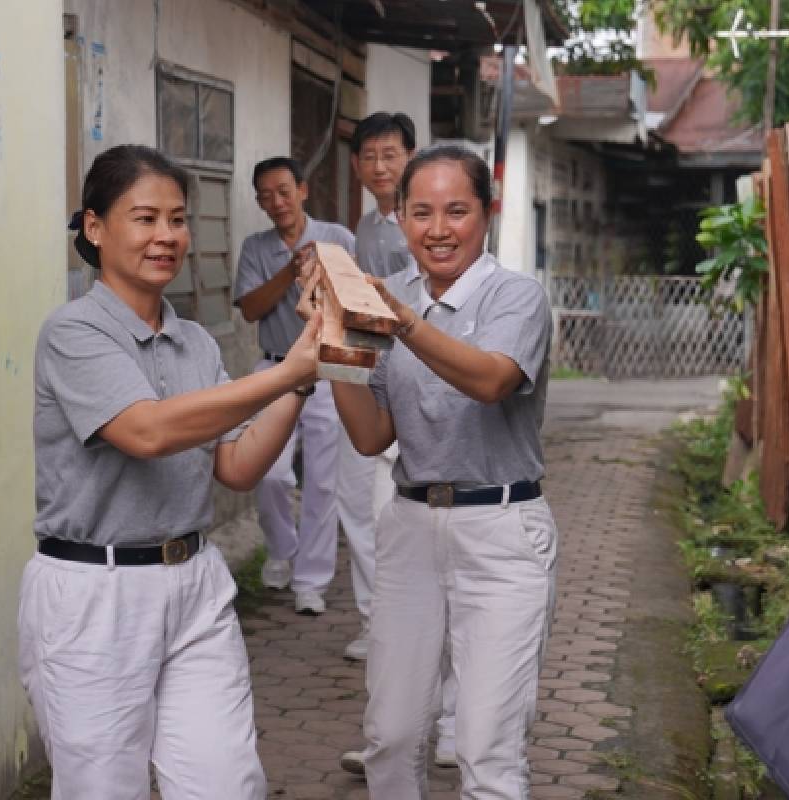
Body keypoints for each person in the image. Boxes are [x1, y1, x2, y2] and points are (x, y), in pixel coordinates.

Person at [21, 144, 322, 799]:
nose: (167, 237)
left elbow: (238, 466)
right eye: (146, 218)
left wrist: (301, 380)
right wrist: (279, 373)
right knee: (104, 789)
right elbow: (147, 431)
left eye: (178, 220)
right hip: (93, 596)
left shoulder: (195, 343)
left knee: (225, 783)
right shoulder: (73, 333)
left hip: (194, 583)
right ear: (95, 228)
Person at [327, 146, 558, 799]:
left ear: (486, 214)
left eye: (457, 211)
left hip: (503, 533)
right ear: (398, 218)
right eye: (420, 212)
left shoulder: (517, 297)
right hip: (409, 528)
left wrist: (400, 323)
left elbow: (489, 380)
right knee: (392, 735)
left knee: (487, 748)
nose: (438, 229)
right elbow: (371, 435)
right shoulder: (386, 296)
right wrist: (332, 346)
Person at [337, 114, 459, 774]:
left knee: (453, 582)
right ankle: (396, 734)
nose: (381, 166)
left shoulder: (433, 234)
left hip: (431, 406)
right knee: (393, 560)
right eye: (371, 156)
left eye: (393, 155)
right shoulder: (365, 228)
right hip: (381, 398)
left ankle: (458, 721)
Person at [233, 157, 355, 614]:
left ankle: (313, 581)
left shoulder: (338, 238)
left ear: (302, 190)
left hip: (326, 370)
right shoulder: (256, 247)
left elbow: (355, 302)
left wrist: (320, 277)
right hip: (275, 369)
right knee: (270, 471)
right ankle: (283, 550)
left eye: (283, 191)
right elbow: (250, 309)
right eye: (265, 195)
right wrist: (289, 272)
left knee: (323, 481)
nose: (276, 202)